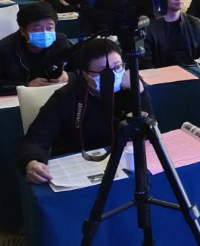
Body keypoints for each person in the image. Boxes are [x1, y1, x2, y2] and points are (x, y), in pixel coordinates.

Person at [18, 39, 153, 184]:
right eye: (103, 72)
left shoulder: (130, 88)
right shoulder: (66, 97)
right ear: (83, 74)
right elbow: (35, 139)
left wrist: (139, 93)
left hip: (125, 164)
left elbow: (148, 132)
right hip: (78, 167)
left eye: (117, 67)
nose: (113, 75)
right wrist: (32, 162)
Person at [0, 2, 71, 95]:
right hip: (19, 99)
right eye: (37, 29)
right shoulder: (3, 49)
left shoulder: (61, 41)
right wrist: (25, 86)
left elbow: (77, 68)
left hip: (53, 95)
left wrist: (68, 76)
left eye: (49, 28)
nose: (45, 33)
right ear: (22, 30)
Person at [141, 0, 200, 69]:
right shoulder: (148, 27)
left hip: (192, 70)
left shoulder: (194, 22)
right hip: (162, 74)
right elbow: (145, 63)